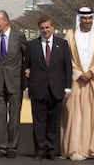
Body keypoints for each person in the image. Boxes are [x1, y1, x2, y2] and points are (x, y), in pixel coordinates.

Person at [60, 7, 94, 160]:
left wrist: (92, 72)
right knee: (74, 114)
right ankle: (74, 148)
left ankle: (92, 149)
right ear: (79, 19)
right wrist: (79, 73)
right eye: (84, 18)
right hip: (76, 82)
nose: (87, 21)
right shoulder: (70, 36)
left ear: (93, 19)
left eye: (89, 18)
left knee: (93, 114)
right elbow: (67, 60)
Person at [25, 16, 72, 161]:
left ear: (53, 28)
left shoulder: (62, 44)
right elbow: (26, 67)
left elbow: (67, 67)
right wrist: (26, 87)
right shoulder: (32, 45)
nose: (45, 30)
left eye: (47, 27)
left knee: (53, 121)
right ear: (39, 29)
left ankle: (51, 149)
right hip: (38, 89)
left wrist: (68, 88)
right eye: (43, 28)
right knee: (39, 122)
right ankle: (39, 150)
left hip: (56, 89)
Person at [0, 10, 27, 158]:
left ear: (6, 21)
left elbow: (27, 58)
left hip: (15, 82)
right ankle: (2, 147)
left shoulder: (19, 37)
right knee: (0, 115)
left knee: (15, 115)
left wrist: (26, 75)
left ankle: (12, 147)